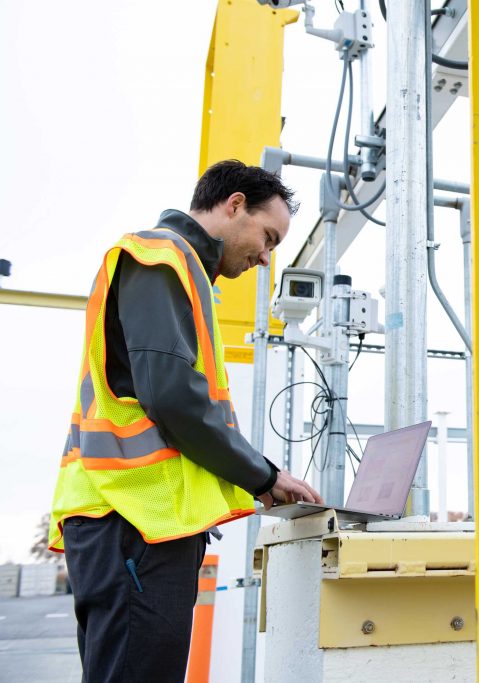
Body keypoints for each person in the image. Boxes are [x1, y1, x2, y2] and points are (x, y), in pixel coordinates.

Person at [47, 160, 324, 682]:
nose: (265, 257)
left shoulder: (184, 272)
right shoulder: (162, 257)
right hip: (129, 516)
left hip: (138, 520)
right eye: (267, 237)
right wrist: (265, 476)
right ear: (234, 204)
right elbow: (172, 398)